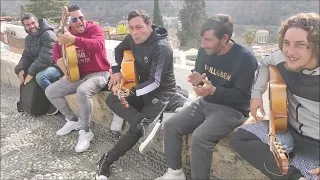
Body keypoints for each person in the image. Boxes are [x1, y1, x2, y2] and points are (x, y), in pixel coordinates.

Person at [156, 14, 258, 180]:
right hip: (206, 101)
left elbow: (242, 96)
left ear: (224, 38)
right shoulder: (205, 51)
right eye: (202, 39)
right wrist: (198, 86)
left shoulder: (246, 59)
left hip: (233, 109)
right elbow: (200, 78)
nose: (203, 45)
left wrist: (213, 91)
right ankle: (175, 173)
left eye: (208, 40)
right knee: (171, 125)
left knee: (200, 137)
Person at [231, 13, 319, 180]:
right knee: (240, 137)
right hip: (287, 129)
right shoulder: (283, 58)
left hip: (316, 145)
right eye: (286, 43)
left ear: (316, 46)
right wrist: (256, 95)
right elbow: (264, 63)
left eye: (300, 45)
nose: (290, 52)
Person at [95, 10, 177, 180]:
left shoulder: (162, 48)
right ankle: (143, 122)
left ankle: (107, 160)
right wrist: (116, 71)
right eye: (131, 28)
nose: (134, 32)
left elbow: (156, 82)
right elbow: (118, 51)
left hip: (161, 93)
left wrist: (129, 91)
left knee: (135, 130)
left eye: (139, 27)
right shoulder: (132, 38)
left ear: (149, 25)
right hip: (140, 88)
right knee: (112, 98)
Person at [45, 5, 110, 153]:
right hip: (76, 74)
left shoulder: (94, 29)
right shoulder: (67, 32)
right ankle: (74, 121)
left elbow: (98, 46)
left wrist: (74, 39)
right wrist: (59, 61)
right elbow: (56, 50)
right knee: (51, 91)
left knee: (82, 91)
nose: (79, 21)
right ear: (70, 23)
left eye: (81, 17)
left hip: (99, 73)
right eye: (75, 19)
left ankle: (86, 131)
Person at [14, 13, 62, 115]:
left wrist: (30, 73)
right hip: (43, 65)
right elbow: (26, 56)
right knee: (24, 73)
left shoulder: (47, 34)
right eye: (27, 25)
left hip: (57, 65)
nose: (31, 26)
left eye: (33, 22)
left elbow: (47, 58)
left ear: (37, 22)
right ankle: (33, 103)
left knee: (41, 76)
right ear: (24, 27)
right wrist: (20, 69)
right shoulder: (28, 38)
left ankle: (56, 103)